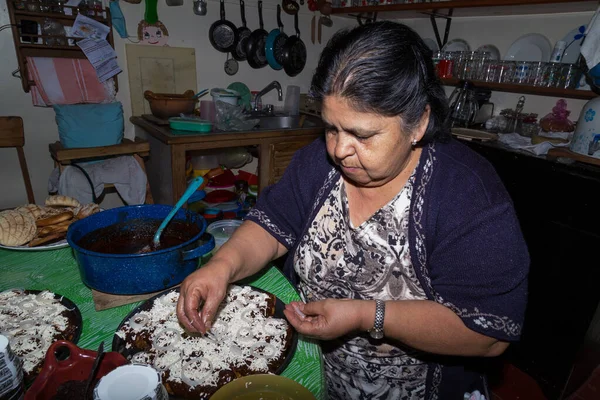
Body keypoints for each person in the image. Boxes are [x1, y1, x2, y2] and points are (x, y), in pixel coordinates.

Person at [177, 21, 529, 400]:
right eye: (331, 128)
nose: (339, 150)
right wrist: (222, 266)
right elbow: (271, 224)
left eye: (362, 135)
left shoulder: (467, 195)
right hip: (320, 375)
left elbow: (487, 334)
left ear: (419, 122)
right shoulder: (318, 164)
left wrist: (367, 315)